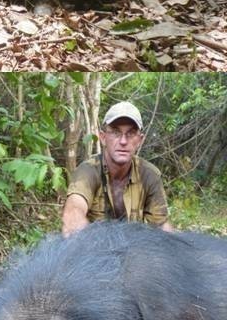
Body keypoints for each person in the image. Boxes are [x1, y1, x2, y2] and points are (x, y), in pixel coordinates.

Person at [62, 101, 173, 236]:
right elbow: (73, 215)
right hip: (93, 250)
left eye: (131, 133)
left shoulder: (149, 175)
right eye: (115, 132)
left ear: (140, 140)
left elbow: (161, 226)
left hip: (134, 250)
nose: (123, 141)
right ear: (103, 138)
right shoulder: (88, 171)